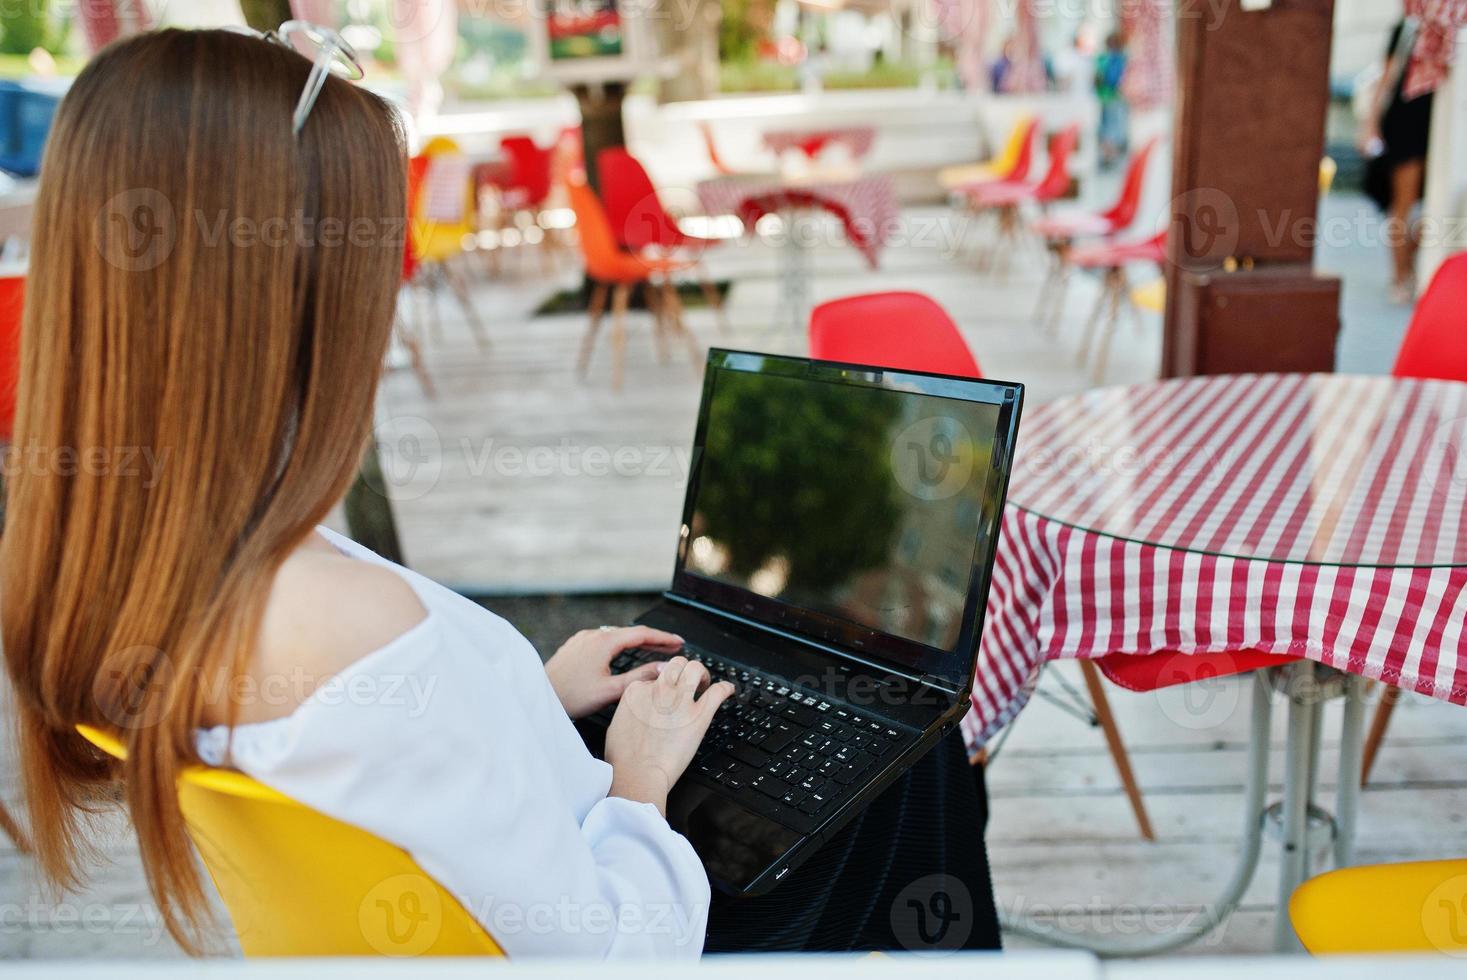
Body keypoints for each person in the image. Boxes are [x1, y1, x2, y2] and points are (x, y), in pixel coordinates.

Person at [1, 27, 1001, 958]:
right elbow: (618, 949)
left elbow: (390, 759)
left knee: (866, 728)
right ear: (285, 293)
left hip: (485, 875)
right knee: (914, 749)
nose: (393, 286)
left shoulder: (111, 567)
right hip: (646, 914)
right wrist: (642, 779)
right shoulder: (348, 626)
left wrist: (533, 695)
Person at [1360, 17, 1433, 304]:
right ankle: (1401, 276)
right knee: (1403, 203)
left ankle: (1412, 266)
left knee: (1436, 207)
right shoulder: (1408, 27)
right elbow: (1387, 77)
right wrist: (1371, 124)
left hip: (1443, 125)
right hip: (1406, 121)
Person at [1095, 31, 1129, 168]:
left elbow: (1099, 78)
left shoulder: (1104, 59)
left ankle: (1108, 156)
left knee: (1107, 127)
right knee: (1114, 127)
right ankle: (1111, 156)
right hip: (1115, 97)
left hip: (1105, 96)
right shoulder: (1121, 58)